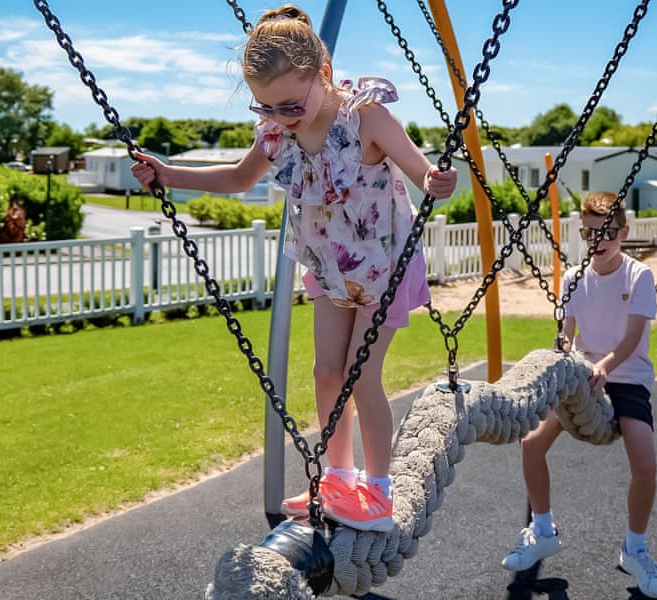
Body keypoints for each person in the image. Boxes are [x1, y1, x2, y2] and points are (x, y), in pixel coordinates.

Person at [131, 4, 456, 533]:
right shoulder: (277, 133)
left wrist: (438, 180)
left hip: (383, 267)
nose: (279, 117)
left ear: (323, 74)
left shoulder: (365, 116)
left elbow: (421, 171)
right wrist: (168, 174)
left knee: (362, 378)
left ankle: (379, 493)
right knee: (327, 375)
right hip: (330, 268)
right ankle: (338, 478)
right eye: (266, 107)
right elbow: (238, 179)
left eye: (289, 104)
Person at [500, 191, 657, 598]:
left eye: (609, 231)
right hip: (581, 376)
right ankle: (542, 531)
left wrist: (605, 368)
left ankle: (635, 548)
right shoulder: (574, 277)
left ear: (624, 232)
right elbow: (567, 334)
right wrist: (564, 349)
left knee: (644, 462)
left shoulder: (637, 277)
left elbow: (631, 340)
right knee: (531, 443)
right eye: (592, 232)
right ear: (583, 233)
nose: (601, 239)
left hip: (625, 377)